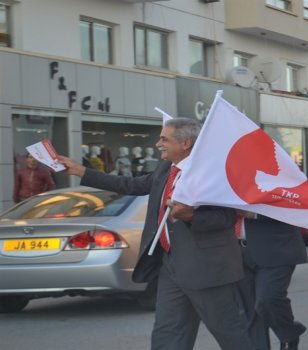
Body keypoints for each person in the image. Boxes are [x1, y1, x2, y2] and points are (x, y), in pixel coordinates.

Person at [57, 118, 253, 350]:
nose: (158, 143)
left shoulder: (212, 172)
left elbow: (227, 218)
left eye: (164, 139)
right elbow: (129, 185)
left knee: (229, 333)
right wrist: (81, 171)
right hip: (170, 265)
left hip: (207, 269)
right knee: (168, 334)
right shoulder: (166, 169)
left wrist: (191, 216)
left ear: (186, 143)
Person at [236, 212, 308, 350]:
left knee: (267, 299)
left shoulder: (285, 188)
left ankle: (289, 334)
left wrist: (255, 214)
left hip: (276, 247)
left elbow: (294, 206)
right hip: (236, 250)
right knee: (249, 312)